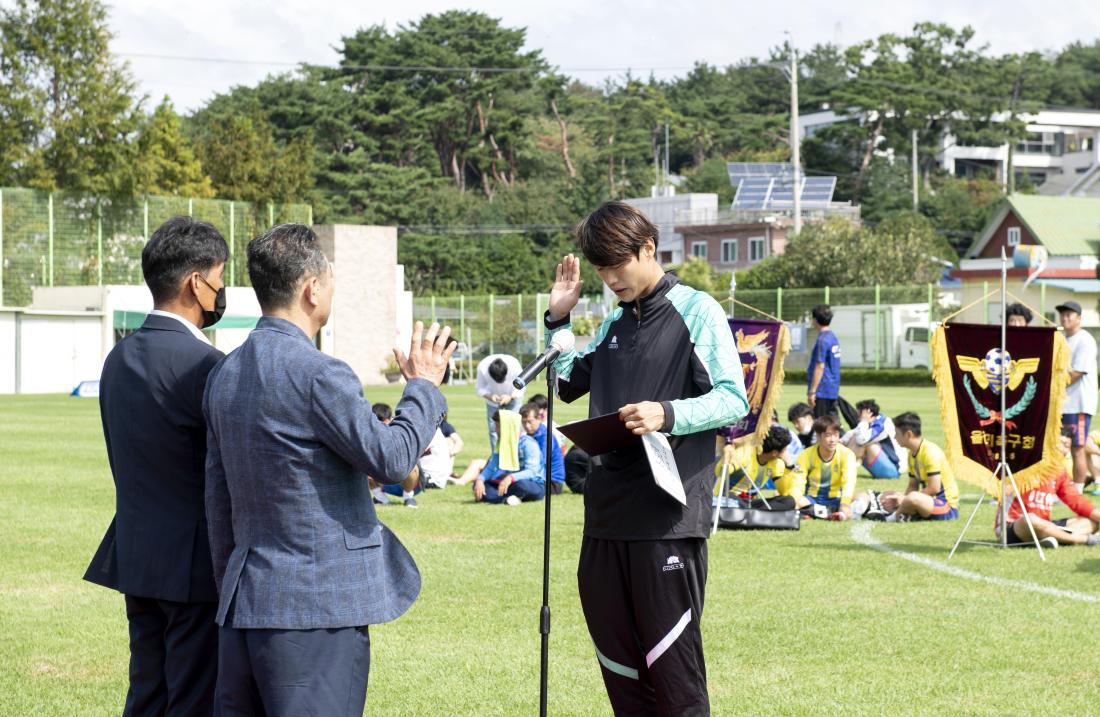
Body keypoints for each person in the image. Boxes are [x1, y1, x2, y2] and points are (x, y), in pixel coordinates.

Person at [204, 224, 454, 716]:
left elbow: (217, 500)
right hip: (316, 611)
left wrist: (232, 591)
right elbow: (392, 459)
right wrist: (423, 388)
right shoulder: (320, 372)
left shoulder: (224, 373)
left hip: (245, 605)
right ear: (312, 288)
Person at [545, 201, 748, 715]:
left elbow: (734, 400)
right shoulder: (614, 323)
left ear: (648, 248)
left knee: (675, 678)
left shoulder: (698, 310)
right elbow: (566, 382)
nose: (611, 279)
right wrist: (558, 318)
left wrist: (667, 413)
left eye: (618, 265)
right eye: (601, 269)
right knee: (622, 673)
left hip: (667, 522)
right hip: (605, 518)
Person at [83, 217, 227, 717]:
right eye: (220, 278)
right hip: (194, 566)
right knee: (192, 700)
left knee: (146, 694)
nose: (222, 290)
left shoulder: (118, 358)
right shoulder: (206, 366)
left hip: (136, 554)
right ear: (196, 283)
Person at [997, 428, 1100, 548]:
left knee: (1091, 522)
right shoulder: (1025, 463)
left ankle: (1051, 538)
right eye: (1061, 444)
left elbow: (1077, 501)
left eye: (1067, 446)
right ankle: (1080, 539)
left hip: (1045, 525)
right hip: (1014, 526)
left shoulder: (1059, 472)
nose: (1064, 450)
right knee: (1030, 519)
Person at [876, 412, 959, 522]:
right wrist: (901, 499)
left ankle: (894, 516)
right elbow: (912, 485)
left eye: (897, 433)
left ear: (908, 434)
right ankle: (905, 514)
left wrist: (905, 499)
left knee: (913, 497)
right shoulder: (912, 453)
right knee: (892, 495)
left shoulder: (930, 452)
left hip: (945, 506)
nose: (895, 437)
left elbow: (934, 488)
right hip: (929, 501)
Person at [1057, 301, 1097, 489]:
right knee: (1059, 448)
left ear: (1079, 318)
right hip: (1063, 405)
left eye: (1069, 315)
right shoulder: (1062, 340)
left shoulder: (1085, 340)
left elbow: (1076, 373)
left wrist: (1053, 384)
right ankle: (1060, 488)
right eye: (1062, 315)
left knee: (1077, 448)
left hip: (1078, 404)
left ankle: (1078, 489)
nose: (1064, 318)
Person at [472, 409, 546, 505]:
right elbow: (492, 466)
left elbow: (532, 471)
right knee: (480, 486)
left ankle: (496, 498)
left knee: (521, 485)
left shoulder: (528, 443)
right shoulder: (502, 443)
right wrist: (480, 480)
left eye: (498, 426)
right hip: (511, 482)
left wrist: (511, 477)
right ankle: (507, 499)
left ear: (508, 427)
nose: (496, 430)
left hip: (531, 483)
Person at [795, 414, 859, 519]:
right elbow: (798, 482)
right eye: (828, 435)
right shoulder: (805, 455)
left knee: (862, 497)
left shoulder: (847, 454)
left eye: (836, 435)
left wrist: (845, 503)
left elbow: (849, 481)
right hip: (812, 500)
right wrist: (795, 498)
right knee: (792, 501)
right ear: (818, 436)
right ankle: (825, 513)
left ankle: (815, 513)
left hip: (837, 500)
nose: (832, 440)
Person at [370, 403, 427, 508]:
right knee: (361, 463)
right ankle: (381, 498)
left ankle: (408, 498)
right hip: (387, 481)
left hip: (411, 482)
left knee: (412, 467)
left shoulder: (401, 430)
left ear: (389, 419)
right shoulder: (370, 433)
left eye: (383, 423)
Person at [841, 399, 905, 479]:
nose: (858, 417)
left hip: (894, 470)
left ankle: (842, 467)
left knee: (865, 443)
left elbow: (861, 440)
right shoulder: (873, 421)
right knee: (856, 437)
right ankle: (841, 466)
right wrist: (840, 442)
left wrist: (864, 421)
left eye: (860, 413)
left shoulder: (882, 423)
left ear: (868, 412)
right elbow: (852, 433)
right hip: (886, 464)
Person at [476, 353, 524, 451]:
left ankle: (515, 453)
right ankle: (496, 455)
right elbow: (480, 388)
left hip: (513, 397)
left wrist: (510, 397)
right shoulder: (482, 367)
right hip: (493, 401)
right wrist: (490, 397)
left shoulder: (514, 365)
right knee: (493, 429)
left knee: (514, 427)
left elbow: (522, 387)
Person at [520, 401, 566, 493]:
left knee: (519, 484)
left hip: (552, 482)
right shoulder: (529, 436)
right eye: (524, 422)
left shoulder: (545, 437)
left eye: (530, 422)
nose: (527, 426)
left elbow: (539, 463)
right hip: (538, 478)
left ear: (539, 419)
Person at [807, 304, 841, 419]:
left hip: (822, 389)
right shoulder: (833, 337)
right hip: (832, 388)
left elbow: (820, 366)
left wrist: (812, 391)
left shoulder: (822, 340)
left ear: (815, 320)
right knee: (832, 423)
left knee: (822, 424)